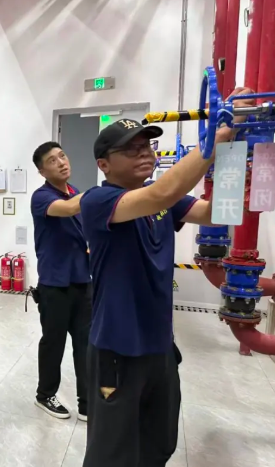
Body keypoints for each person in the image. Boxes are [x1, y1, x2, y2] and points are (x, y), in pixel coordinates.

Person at [80, 88, 254, 467]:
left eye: (147, 146)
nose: (144, 153)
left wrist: (237, 151)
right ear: (104, 164)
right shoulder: (97, 201)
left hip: (159, 346)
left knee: (159, 443)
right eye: (131, 149)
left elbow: (217, 213)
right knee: (111, 454)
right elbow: (163, 193)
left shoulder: (161, 199)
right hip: (118, 349)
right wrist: (218, 134)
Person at [30, 142, 91, 421]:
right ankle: (45, 395)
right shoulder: (41, 197)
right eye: (52, 161)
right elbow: (66, 210)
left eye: (62, 156)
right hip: (55, 284)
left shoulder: (75, 192)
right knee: (53, 343)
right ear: (42, 171)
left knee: (86, 344)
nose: (62, 162)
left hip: (83, 281)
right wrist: (105, 191)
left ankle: (87, 402)